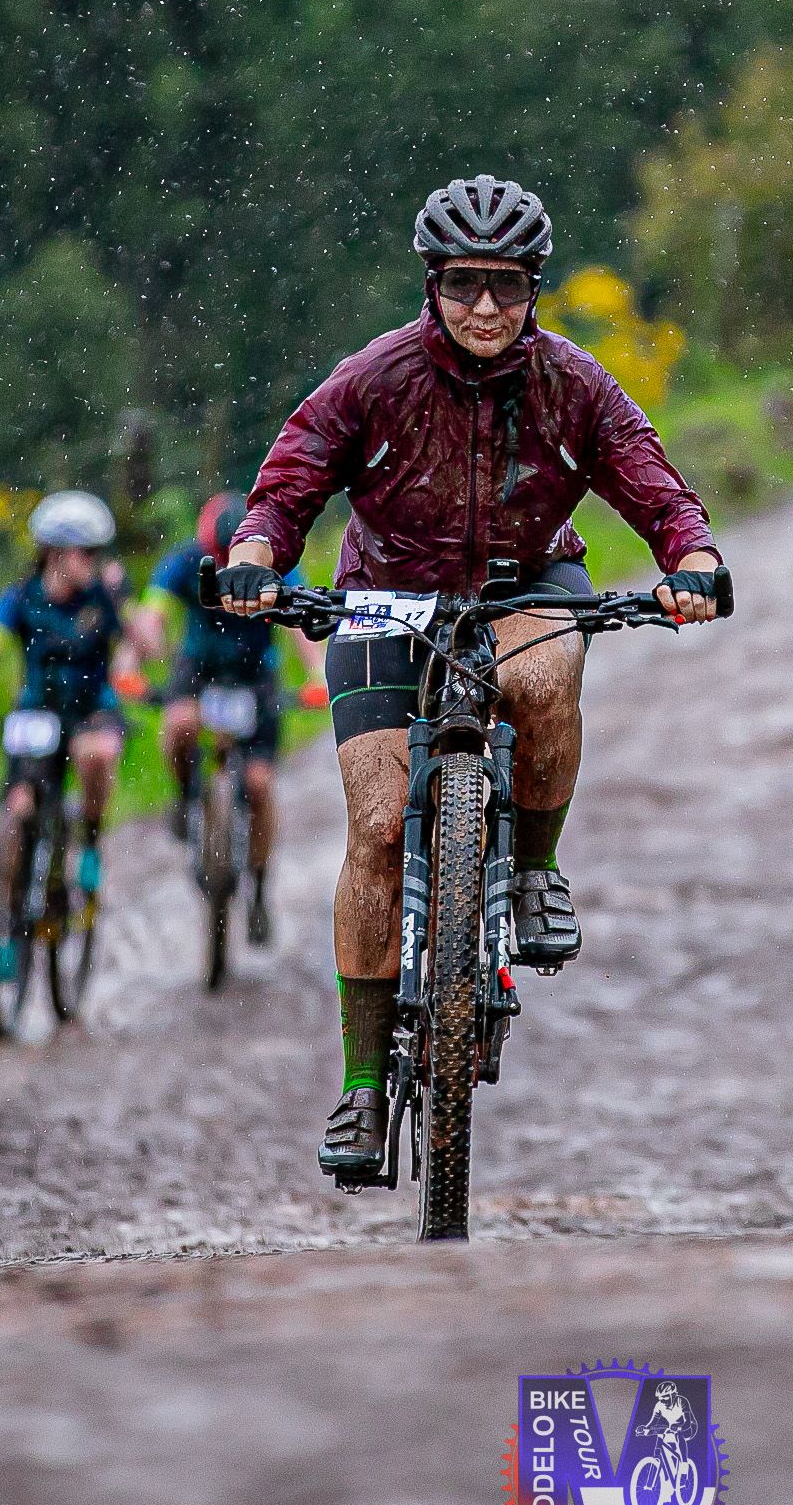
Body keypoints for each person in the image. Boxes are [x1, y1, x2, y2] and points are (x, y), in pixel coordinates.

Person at [218, 174, 727, 1176]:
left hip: (526, 580)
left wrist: (693, 560)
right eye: (464, 284)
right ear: (432, 283)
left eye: (507, 285)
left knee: (542, 682)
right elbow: (290, 478)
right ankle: (364, 1087)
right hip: (386, 591)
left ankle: (532, 869)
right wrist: (253, 555)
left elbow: (652, 482)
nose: (485, 306)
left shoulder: (575, 384)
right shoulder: (375, 377)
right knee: (376, 829)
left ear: (536, 287)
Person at [0, 491, 153, 918]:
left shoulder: (104, 595)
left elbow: (149, 648)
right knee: (18, 806)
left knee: (99, 754)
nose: (94, 561)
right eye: (86, 552)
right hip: (36, 711)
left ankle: (90, 840)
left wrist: (125, 602)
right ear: (54, 552)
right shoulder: (19, 598)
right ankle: (7, 910)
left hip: (91, 709)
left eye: (98, 553)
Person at [145, 490, 326, 948]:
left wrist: (318, 675)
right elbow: (153, 614)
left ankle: (259, 890)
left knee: (260, 785)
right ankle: (184, 795)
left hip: (256, 675)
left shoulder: (279, 564)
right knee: (178, 725)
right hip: (199, 669)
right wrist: (134, 659)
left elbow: (304, 626)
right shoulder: (184, 562)